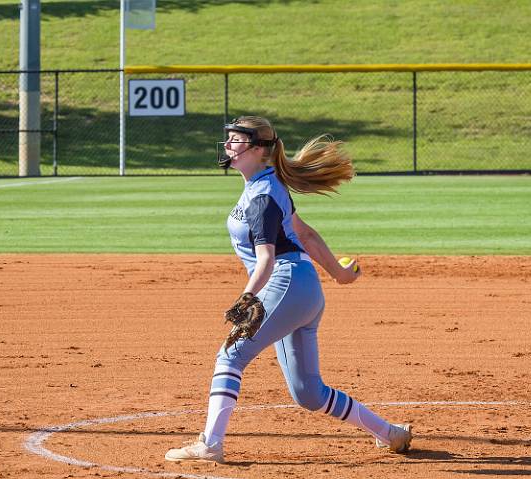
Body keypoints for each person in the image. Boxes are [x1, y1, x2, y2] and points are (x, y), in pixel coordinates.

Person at [165, 116, 412, 463]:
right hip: (302, 290)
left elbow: (266, 259)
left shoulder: (263, 195)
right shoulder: (266, 185)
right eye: (229, 139)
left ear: (258, 149)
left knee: (230, 355)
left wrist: (247, 297)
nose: (228, 146)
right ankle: (390, 433)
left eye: (236, 140)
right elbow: (304, 234)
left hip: (284, 284)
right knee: (308, 393)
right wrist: (339, 274)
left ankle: (210, 444)